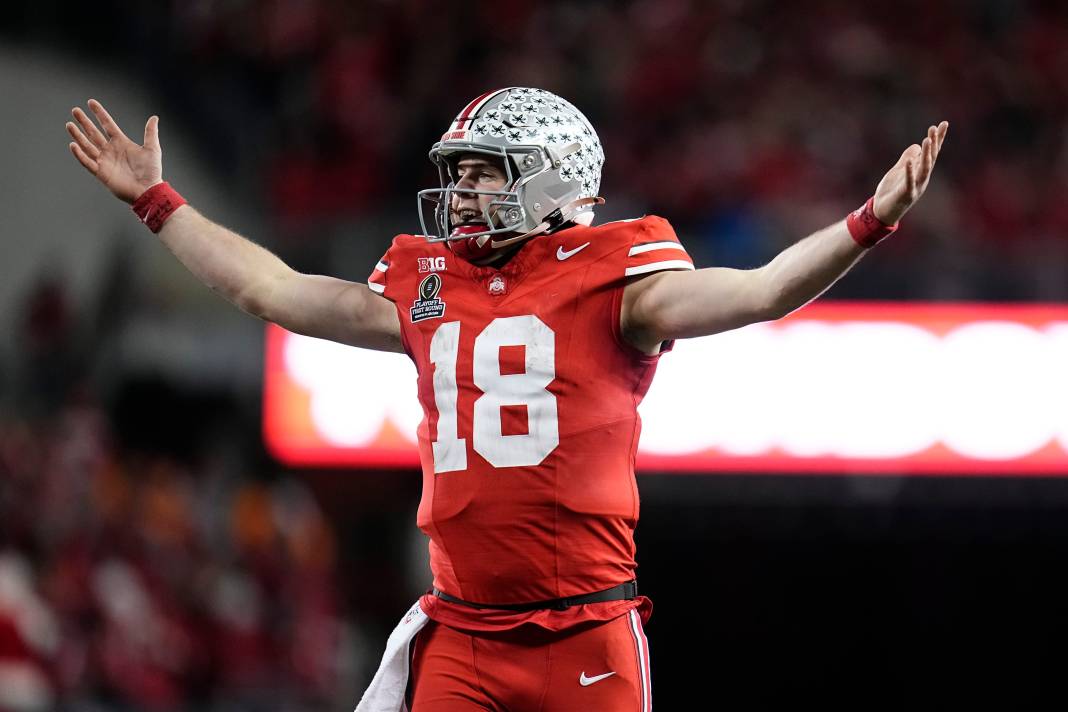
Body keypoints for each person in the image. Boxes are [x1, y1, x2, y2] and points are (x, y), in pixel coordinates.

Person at [67, 88, 948, 711]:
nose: (464, 194)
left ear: (556, 179)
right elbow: (276, 290)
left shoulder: (619, 278)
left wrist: (866, 223)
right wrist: (157, 201)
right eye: (461, 175)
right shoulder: (429, 280)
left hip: (586, 633)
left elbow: (758, 291)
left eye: (488, 174)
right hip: (461, 635)